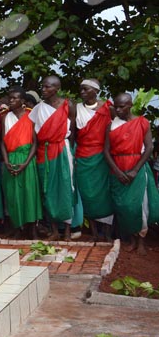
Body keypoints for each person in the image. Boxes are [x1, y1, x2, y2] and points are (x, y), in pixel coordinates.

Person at [104, 93, 159, 255]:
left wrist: (135, 170)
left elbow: (148, 147)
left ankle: (141, 240)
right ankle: (131, 239)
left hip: (138, 167)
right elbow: (106, 151)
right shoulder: (111, 125)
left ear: (130, 106)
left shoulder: (143, 123)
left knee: (140, 205)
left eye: (122, 106)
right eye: (116, 106)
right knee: (123, 206)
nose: (118, 110)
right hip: (118, 168)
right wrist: (117, 171)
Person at [28, 76, 76, 240]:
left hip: (62, 149)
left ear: (57, 88)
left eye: (47, 87)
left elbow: (73, 131)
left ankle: (68, 230)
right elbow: (34, 135)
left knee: (66, 186)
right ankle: (55, 230)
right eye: (43, 86)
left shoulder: (68, 105)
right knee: (47, 189)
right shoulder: (38, 108)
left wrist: (69, 150)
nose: (43, 89)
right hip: (44, 151)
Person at [0, 88, 42, 238]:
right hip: (11, 159)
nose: (11, 101)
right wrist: (6, 161)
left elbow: (35, 143)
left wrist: (26, 163)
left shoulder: (30, 116)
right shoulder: (5, 118)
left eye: (15, 98)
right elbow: (3, 143)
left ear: (23, 101)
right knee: (13, 195)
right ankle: (18, 228)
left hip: (27, 159)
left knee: (30, 194)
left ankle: (32, 229)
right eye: (9, 98)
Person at [75, 79, 114, 240]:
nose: (82, 92)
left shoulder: (108, 108)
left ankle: (106, 232)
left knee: (104, 193)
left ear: (96, 91)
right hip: (83, 156)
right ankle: (94, 232)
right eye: (81, 90)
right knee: (87, 194)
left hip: (102, 156)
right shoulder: (76, 109)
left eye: (85, 89)